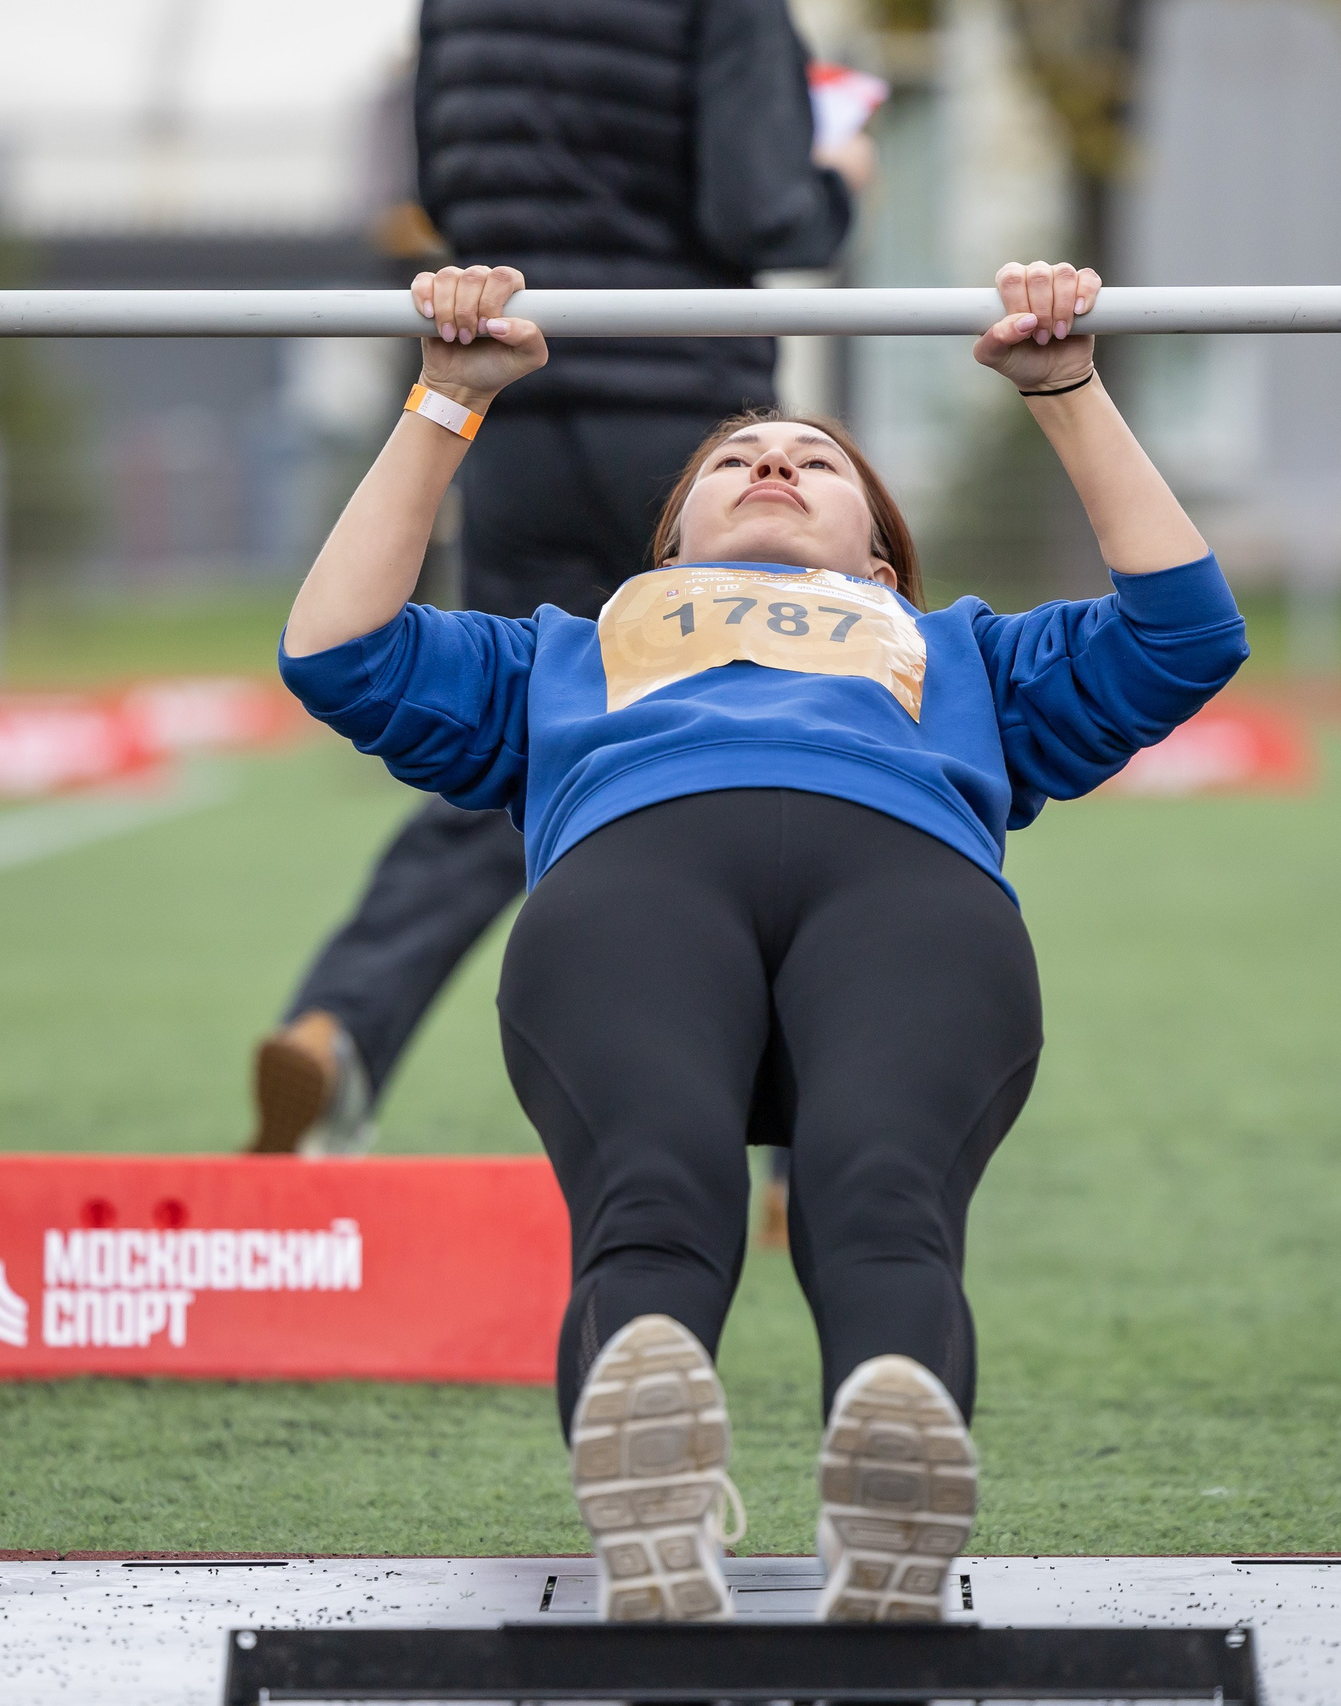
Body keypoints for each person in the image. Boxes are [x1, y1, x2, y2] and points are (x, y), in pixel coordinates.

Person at [277, 258, 1247, 1622]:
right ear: (668, 548)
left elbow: (1186, 631)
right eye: (734, 458)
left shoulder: (955, 647)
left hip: (905, 899)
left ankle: (892, 1504)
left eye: (812, 458)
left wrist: (1067, 390)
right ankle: (653, 1515)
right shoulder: (576, 645)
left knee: (883, 1203)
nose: (774, 461)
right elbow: (335, 649)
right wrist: (448, 398)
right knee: (656, 1201)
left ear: (880, 555)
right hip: (638, 892)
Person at [248, 0, 875, 1154]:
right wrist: (836, 171)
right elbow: (760, 207)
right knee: (767, 739)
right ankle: (800, 1129)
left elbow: (441, 185)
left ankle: (342, 1023)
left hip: (521, 412)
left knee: (509, 747)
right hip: (691, 425)